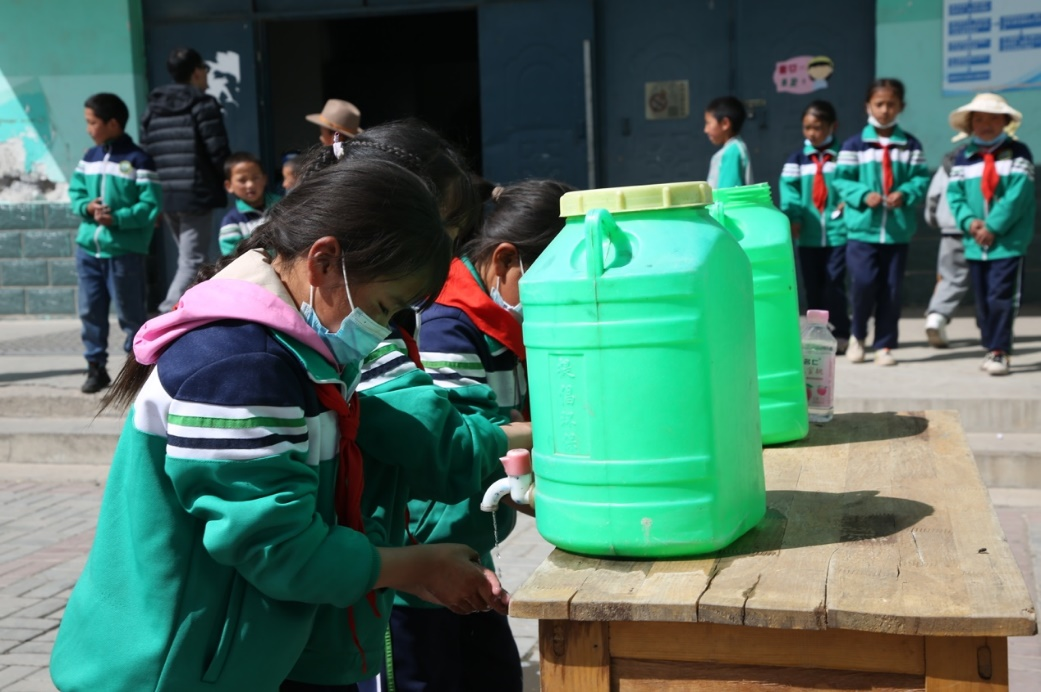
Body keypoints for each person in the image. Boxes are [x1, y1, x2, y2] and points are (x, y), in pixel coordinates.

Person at [49, 158, 511, 692]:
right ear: (323, 261)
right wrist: (417, 567)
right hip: (170, 671)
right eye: (383, 308)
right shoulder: (241, 368)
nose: (380, 330)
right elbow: (280, 549)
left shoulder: (292, 354)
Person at [285, 119, 534, 691]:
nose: (442, 255)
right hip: (385, 584)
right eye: (438, 230)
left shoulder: (381, 313)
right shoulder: (347, 326)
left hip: (417, 565)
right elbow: (442, 438)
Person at [370, 179, 572, 692]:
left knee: (495, 676)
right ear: (504, 260)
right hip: (424, 553)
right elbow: (464, 438)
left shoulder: (508, 327)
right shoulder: (448, 322)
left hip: (472, 543)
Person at [69, 93, 162, 394]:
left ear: (112, 123)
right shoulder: (89, 157)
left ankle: (135, 372)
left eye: (92, 122)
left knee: (131, 315)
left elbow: (150, 205)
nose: (88, 129)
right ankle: (95, 367)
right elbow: (75, 193)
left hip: (125, 253)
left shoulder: (139, 160)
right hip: (89, 251)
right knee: (90, 311)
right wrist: (87, 207)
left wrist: (118, 218)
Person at [833, 78, 929, 366]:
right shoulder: (854, 145)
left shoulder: (910, 145)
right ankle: (858, 335)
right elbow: (841, 180)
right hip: (863, 230)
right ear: (868, 106)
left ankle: (884, 344)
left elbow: (921, 178)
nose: (885, 110)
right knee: (863, 283)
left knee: (891, 288)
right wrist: (863, 194)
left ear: (901, 106)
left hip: (897, 231)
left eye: (891, 104)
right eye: (879, 104)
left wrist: (906, 193)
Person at [946, 93, 1034, 376]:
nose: (986, 124)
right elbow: (955, 195)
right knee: (983, 300)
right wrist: (970, 222)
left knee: (1001, 296)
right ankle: (990, 344)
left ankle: (999, 350)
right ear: (970, 124)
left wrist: (992, 227)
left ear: (1005, 122)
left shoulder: (1019, 153)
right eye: (979, 119)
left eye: (993, 118)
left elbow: (1018, 196)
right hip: (975, 243)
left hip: (1007, 242)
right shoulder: (963, 157)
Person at [140, 47, 231, 312]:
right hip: (195, 193)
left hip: (166, 195)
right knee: (192, 260)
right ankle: (167, 312)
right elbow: (217, 150)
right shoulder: (203, 104)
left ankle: (192, 310)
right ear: (196, 72)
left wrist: (151, 197)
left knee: (187, 259)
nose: (207, 75)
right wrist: (228, 178)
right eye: (205, 69)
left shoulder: (153, 108)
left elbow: (146, 152)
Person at [779, 100, 850, 354]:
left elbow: (852, 183)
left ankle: (842, 331)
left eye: (818, 127)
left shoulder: (844, 157)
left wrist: (848, 201)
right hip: (808, 236)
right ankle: (818, 333)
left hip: (838, 234)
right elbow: (790, 192)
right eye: (807, 127)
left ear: (833, 126)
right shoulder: (797, 161)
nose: (812, 133)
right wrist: (794, 217)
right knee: (813, 285)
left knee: (834, 283)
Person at [922, 142, 969, 348]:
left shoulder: (947, 164)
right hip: (985, 229)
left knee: (950, 277)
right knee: (989, 281)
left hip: (950, 227)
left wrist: (934, 219)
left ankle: (936, 317)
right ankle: (991, 329)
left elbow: (933, 196)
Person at [219, 151, 281, 256]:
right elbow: (232, 258)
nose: (250, 185)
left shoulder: (283, 205)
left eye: (255, 178)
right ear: (229, 186)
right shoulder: (231, 222)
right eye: (242, 180)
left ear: (264, 179)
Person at [704, 95, 753, 189]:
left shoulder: (732, 152)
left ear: (725, 124)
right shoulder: (735, 148)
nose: (705, 130)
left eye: (708, 123)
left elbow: (728, 194)